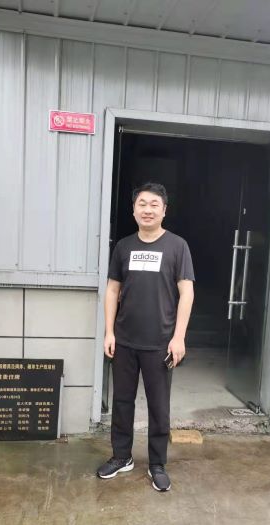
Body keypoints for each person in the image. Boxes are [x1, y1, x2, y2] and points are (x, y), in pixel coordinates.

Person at [97, 182, 195, 492]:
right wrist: (109, 331)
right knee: (122, 401)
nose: (148, 209)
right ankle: (121, 456)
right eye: (142, 203)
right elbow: (112, 289)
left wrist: (179, 337)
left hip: (160, 343)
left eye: (154, 204)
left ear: (164, 210)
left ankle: (157, 464)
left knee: (158, 406)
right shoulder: (124, 247)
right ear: (134, 209)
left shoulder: (177, 246)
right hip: (125, 340)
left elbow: (187, 292)